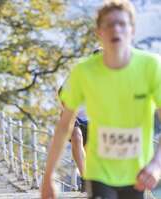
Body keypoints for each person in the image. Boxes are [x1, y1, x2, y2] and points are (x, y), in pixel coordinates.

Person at [41, 1, 161, 199]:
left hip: (137, 172)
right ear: (99, 32)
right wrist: (48, 176)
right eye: (109, 24)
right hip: (99, 173)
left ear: (132, 30)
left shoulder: (152, 67)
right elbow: (63, 126)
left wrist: (156, 165)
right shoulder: (83, 71)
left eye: (122, 24)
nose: (116, 28)